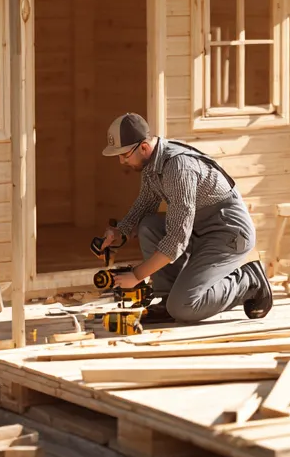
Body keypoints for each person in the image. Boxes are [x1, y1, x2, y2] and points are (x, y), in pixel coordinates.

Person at [99, 112, 273, 324]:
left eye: (124, 155)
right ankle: (167, 298)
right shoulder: (151, 164)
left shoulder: (178, 167)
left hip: (228, 235)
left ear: (143, 147)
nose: (121, 161)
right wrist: (121, 232)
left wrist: (137, 275)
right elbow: (145, 204)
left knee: (184, 306)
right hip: (200, 230)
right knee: (148, 226)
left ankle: (249, 282)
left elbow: (176, 241)